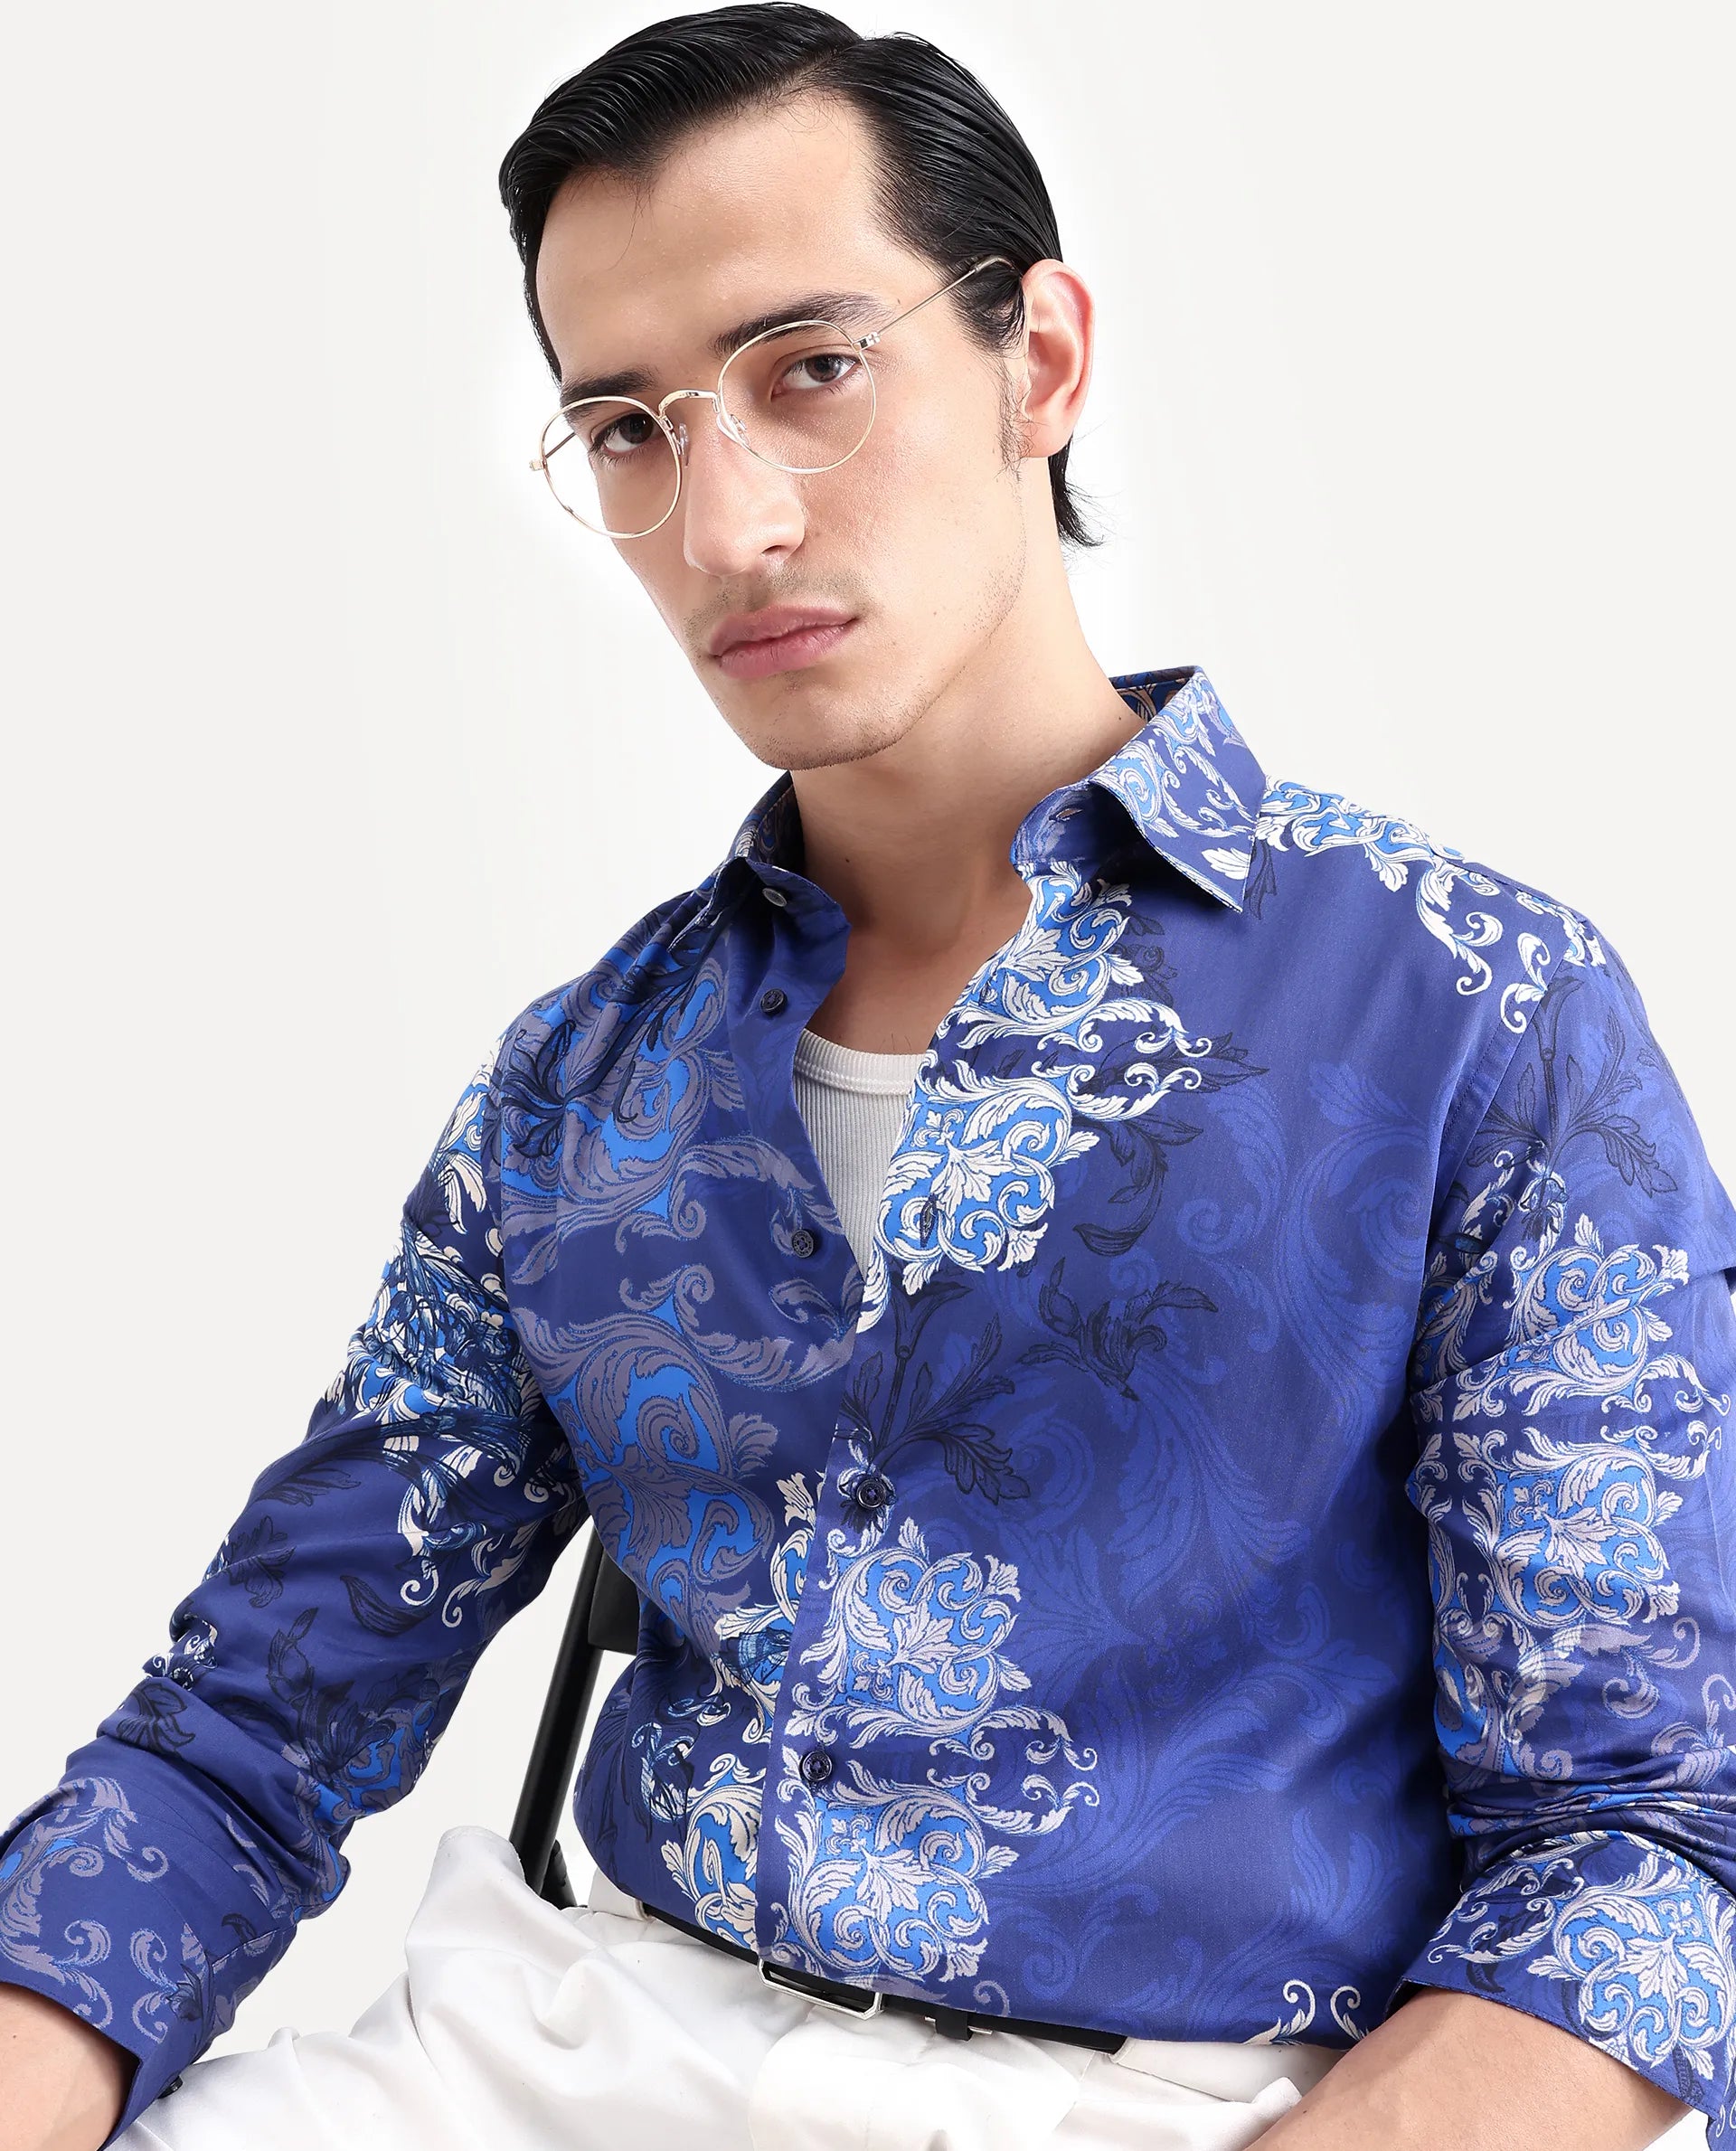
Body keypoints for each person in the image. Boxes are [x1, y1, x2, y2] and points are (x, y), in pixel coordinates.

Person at [2, 6, 1730, 2149]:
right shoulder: (578, 1089)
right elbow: (243, 1734)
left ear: (1042, 360)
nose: (724, 520)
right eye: (625, 427)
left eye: (810, 369)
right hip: (555, 2054)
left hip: (1179, 2107)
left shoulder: (1476, 1011)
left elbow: (1655, 1837)